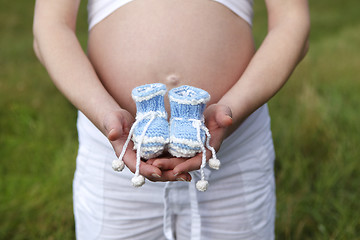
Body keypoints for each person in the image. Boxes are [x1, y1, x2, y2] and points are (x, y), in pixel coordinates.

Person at [33, 0, 310, 239]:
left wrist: (233, 107)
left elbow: (291, 20)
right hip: (112, 158)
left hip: (235, 154)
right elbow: (50, 27)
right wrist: (104, 113)